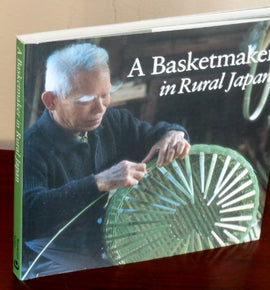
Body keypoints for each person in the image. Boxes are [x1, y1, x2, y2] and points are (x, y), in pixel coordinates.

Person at [23, 43, 190, 278]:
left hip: (104, 246)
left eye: (105, 94)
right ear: (51, 100)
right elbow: (27, 218)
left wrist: (174, 134)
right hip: (49, 259)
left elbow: (154, 134)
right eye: (86, 98)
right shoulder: (30, 148)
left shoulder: (111, 122)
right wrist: (98, 182)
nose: (100, 107)